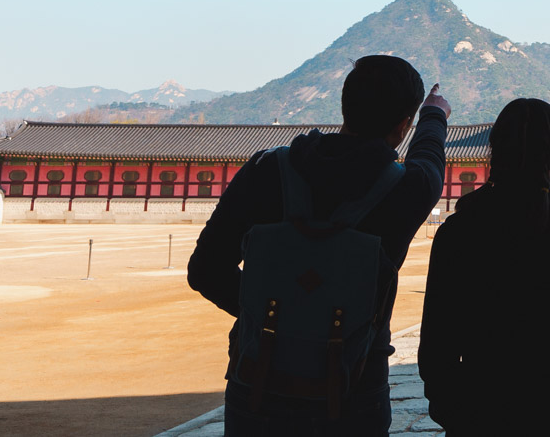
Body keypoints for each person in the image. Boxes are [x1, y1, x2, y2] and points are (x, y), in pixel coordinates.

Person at [188, 56, 450, 436]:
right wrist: (433, 115)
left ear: (345, 105)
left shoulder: (266, 170)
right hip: (353, 389)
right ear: (402, 125)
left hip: (259, 381)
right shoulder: (409, 189)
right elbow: (429, 158)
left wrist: (270, 315)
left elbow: (205, 270)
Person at [421, 99, 550, 436]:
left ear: (494, 149)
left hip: (481, 414)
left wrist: (455, 413)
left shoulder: (459, 232)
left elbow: (438, 343)